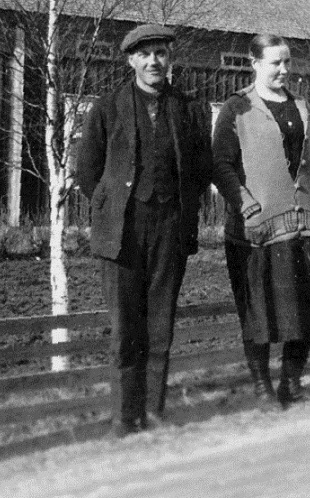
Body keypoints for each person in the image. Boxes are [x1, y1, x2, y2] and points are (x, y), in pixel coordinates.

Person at [75, 23, 213, 436]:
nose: (154, 61)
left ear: (170, 59)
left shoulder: (189, 108)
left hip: (169, 228)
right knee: (124, 328)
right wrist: (115, 205)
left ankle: (153, 412)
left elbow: (200, 170)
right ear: (131, 60)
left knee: (160, 325)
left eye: (161, 54)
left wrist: (179, 212)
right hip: (123, 231)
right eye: (145, 54)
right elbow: (87, 172)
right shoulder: (108, 107)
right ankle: (123, 415)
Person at [212, 34, 310, 408]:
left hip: (302, 226)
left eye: (287, 62)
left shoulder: (302, 107)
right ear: (255, 64)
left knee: (306, 308)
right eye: (275, 63)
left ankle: (291, 381)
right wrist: (246, 206)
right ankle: (261, 387)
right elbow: (220, 165)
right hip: (256, 229)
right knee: (259, 311)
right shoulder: (236, 108)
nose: (284, 70)